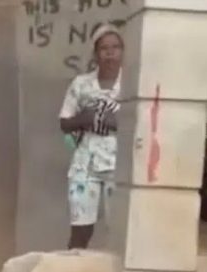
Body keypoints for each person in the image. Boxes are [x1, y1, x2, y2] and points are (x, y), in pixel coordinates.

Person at [59, 24, 124, 249]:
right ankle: (72, 268)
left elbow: (143, 121)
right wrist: (84, 118)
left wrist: (117, 122)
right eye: (104, 48)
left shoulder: (132, 84)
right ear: (96, 54)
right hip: (84, 166)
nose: (110, 53)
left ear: (123, 51)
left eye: (115, 47)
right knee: (80, 230)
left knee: (120, 229)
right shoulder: (81, 84)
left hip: (120, 166)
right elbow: (64, 123)